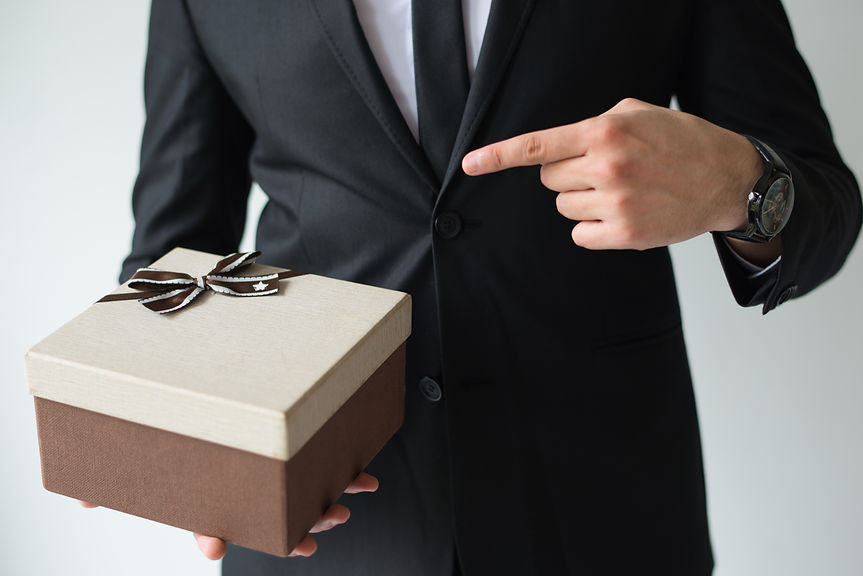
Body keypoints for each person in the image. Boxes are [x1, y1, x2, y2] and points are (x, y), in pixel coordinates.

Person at [110, 0, 861, 574]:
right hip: (320, 523)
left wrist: (739, 187)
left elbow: (824, 203)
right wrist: (174, 444)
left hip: (606, 512)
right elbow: (173, 257)